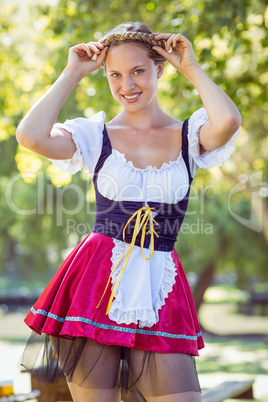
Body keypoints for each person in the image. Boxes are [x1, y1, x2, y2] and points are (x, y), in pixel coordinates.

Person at [16, 22, 241, 402]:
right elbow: (31, 135)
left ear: (160, 68)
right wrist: (72, 73)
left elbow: (228, 122)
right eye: (115, 74)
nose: (127, 85)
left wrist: (191, 67)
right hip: (95, 282)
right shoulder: (93, 134)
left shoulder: (189, 135)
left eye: (138, 70)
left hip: (161, 283)